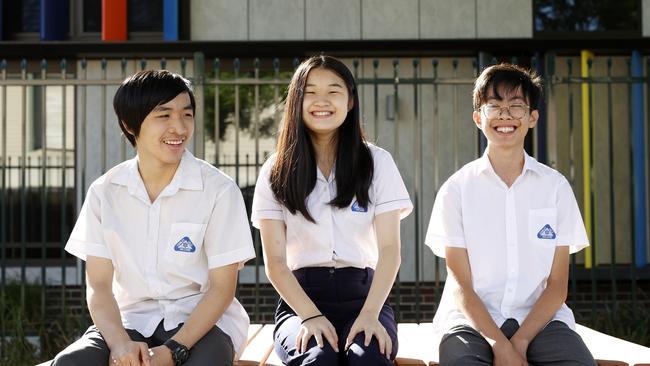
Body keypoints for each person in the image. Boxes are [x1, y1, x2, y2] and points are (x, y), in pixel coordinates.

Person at [51, 70, 255, 366]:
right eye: (164, 116)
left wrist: (175, 350)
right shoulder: (105, 192)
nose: (179, 127)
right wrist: (120, 344)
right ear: (129, 124)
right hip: (131, 321)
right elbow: (99, 286)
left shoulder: (219, 190)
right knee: (70, 363)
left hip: (202, 325)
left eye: (187, 114)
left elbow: (223, 288)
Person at [425, 63, 596, 365]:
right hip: (470, 322)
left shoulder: (555, 188)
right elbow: (460, 283)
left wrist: (520, 341)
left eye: (516, 106)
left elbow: (557, 285)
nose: (505, 115)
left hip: (541, 321)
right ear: (478, 118)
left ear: (532, 118)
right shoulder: (456, 189)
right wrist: (499, 344)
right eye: (494, 106)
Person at [251, 55, 412, 365]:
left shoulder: (377, 162)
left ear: (350, 101)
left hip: (365, 297)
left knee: (369, 359)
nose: (321, 101)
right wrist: (310, 316)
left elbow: (390, 249)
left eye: (333, 91)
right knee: (318, 358)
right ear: (296, 101)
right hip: (301, 300)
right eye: (310, 92)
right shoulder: (276, 169)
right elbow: (275, 262)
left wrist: (369, 315)